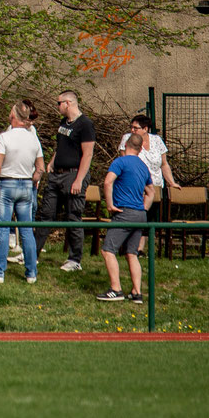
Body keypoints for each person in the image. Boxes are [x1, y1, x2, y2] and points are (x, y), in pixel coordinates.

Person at [0, 101, 43, 284]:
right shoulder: (33, 138)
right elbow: (40, 168)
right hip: (26, 185)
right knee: (27, 230)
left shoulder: (4, 137)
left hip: (6, 184)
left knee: (3, 230)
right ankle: (31, 272)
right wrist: (32, 181)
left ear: (14, 117)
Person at [37, 90, 95, 271]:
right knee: (46, 214)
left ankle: (74, 259)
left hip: (73, 175)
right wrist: (52, 162)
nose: (57, 106)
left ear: (68, 103)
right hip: (57, 175)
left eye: (58, 103)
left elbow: (87, 154)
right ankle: (33, 253)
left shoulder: (85, 125)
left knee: (73, 216)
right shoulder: (63, 123)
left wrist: (79, 180)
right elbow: (61, 146)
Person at [97, 134, 152, 303]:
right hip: (140, 214)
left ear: (125, 145)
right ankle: (137, 292)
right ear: (141, 149)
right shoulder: (143, 167)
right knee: (132, 253)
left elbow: (108, 182)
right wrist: (143, 208)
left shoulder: (120, 162)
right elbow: (151, 192)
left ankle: (116, 289)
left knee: (108, 250)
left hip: (124, 212)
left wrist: (110, 204)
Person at [120, 114, 184, 220]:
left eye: (135, 128)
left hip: (155, 187)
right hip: (137, 187)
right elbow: (126, 162)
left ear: (145, 129)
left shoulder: (157, 140)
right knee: (137, 220)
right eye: (131, 127)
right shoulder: (128, 139)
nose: (132, 130)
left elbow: (164, 164)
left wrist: (171, 182)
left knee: (152, 220)